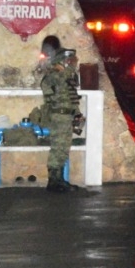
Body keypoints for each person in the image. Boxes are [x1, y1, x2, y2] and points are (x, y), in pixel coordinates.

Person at [40, 47, 82, 192]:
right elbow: (50, 83)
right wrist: (67, 68)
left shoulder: (67, 76)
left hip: (67, 115)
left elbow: (72, 97)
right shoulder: (55, 75)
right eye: (68, 60)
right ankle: (53, 181)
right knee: (58, 148)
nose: (71, 63)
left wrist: (77, 113)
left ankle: (59, 180)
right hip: (59, 116)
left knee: (63, 148)